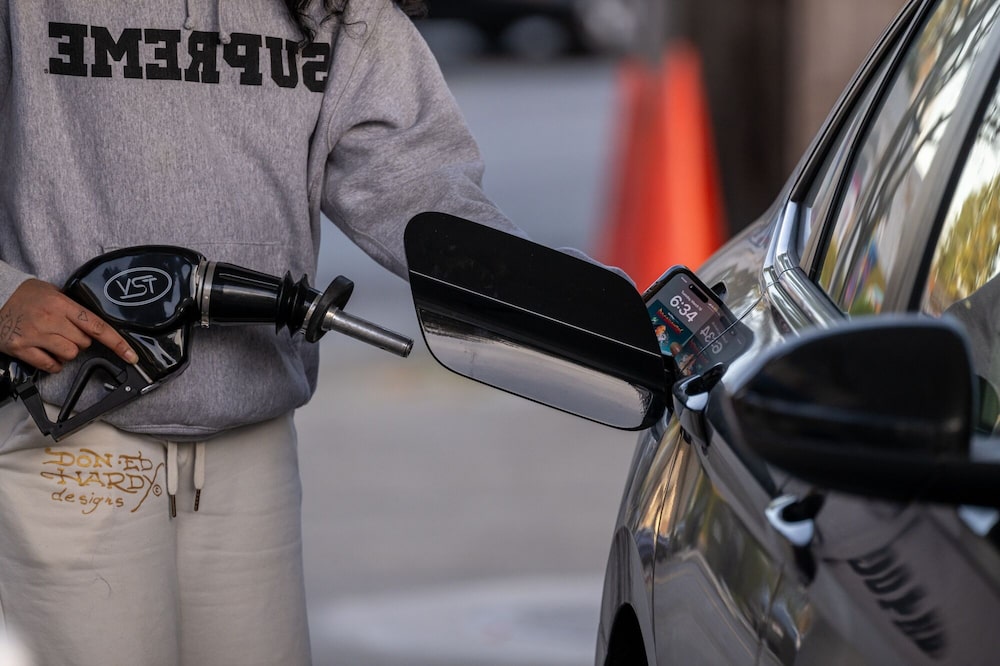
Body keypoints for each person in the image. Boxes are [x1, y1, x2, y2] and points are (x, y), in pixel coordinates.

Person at [0, 1, 523, 663]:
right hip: (69, 433)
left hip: (251, 445)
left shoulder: (334, 8)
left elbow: (420, 188)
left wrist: (575, 304)